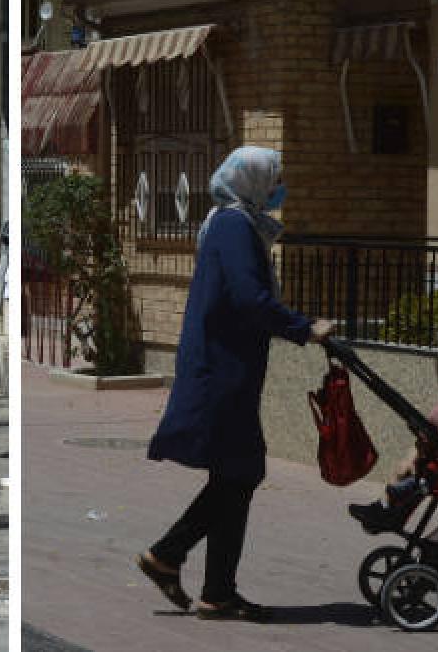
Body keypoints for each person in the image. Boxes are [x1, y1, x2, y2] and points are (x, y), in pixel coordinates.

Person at [137, 147, 335, 622]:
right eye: (275, 179)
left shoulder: (232, 223)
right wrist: (303, 327)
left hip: (228, 367)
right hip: (221, 371)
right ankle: (172, 555)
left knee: (236, 472)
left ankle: (215, 589)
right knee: (241, 471)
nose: (279, 187)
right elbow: (249, 298)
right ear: (254, 182)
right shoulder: (233, 226)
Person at [348, 346, 438, 532]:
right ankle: (386, 508)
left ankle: (387, 511)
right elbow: (422, 441)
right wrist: (409, 459)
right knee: (403, 472)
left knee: (411, 482)